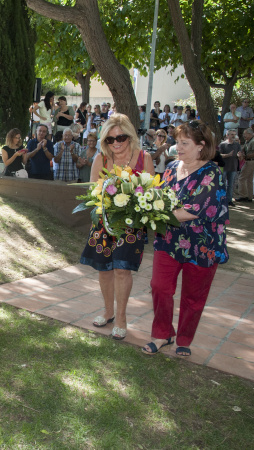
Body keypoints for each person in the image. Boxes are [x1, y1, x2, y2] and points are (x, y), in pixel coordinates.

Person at [142, 120, 229, 357]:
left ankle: (184, 339)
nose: (177, 147)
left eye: (184, 143)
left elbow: (194, 210)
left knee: (193, 297)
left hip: (203, 245)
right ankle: (162, 334)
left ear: (201, 146)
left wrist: (154, 214)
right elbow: (159, 197)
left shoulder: (212, 173)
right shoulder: (170, 168)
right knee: (159, 287)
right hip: (168, 239)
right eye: (177, 142)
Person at [80, 114, 154, 341]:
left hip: (132, 225)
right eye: (111, 139)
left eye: (121, 137)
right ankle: (108, 311)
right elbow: (93, 191)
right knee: (104, 269)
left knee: (122, 270)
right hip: (104, 222)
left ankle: (121, 318)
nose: (116, 143)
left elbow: (150, 193)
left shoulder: (144, 158)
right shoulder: (101, 159)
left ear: (130, 136)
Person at [235, 129, 254, 202]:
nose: (244, 135)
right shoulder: (247, 141)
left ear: (250, 134)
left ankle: (243, 196)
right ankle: (249, 196)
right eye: (243, 134)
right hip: (250, 161)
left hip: (251, 162)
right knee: (249, 180)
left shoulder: (253, 142)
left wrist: (245, 156)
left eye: (246, 134)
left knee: (241, 178)